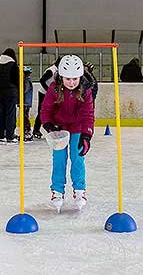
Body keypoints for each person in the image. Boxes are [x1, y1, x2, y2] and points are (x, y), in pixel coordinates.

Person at [40, 55, 94, 212]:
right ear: (61, 77)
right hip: (59, 128)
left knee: (78, 158)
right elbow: (46, 110)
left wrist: (86, 135)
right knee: (59, 159)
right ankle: (57, 191)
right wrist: (49, 125)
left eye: (75, 79)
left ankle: (79, 190)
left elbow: (88, 114)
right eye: (68, 79)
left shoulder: (86, 90)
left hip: (78, 127)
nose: (72, 82)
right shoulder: (54, 89)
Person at [0, 48, 19, 144]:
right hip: (11, 94)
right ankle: (10, 136)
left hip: (0, 93)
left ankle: (0, 136)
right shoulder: (13, 65)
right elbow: (16, 81)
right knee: (10, 114)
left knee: (2, 114)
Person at [33, 56, 62, 139]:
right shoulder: (51, 70)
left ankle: (53, 127)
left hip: (51, 93)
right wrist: (48, 90)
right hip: (43, 93)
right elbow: (42, 80)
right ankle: (36, 129)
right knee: (42, 110)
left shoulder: (57, 70)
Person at [23, 66, 33, 142]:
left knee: (25, 118)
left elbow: (24, 90)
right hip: (25, 102)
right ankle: (25, 132)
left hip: (25, 102)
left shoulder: (26, 81)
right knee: (24, 117)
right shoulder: (27, 80)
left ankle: (28, 132)